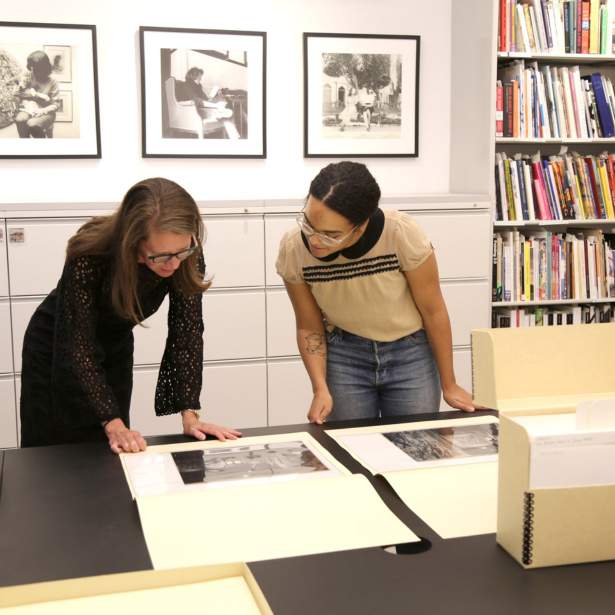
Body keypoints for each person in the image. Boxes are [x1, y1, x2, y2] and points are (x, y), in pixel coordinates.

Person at [20, 177, 241, 453]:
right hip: (56, 342)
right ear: (133, 243)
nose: (174, 263)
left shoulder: (184, 252)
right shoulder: (90, 254)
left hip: (115, 344)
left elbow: (187, 332)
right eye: (161, 256)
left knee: (113, 446)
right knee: (57, 448)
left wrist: (190, 414)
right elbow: (78, 346)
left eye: (182, 251)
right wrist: (112, 423)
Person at [276, 161, 478, 424]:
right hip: (344, 355)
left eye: (330, 234)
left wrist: (449, 384)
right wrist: (319, 388)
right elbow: (308, 325)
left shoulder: (400, 233)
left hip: (410, 354)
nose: (314, 240)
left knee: (415, 448)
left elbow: (433, 310)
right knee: (350, 450)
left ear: (360, 227)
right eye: (309, 224)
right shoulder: (294, 249)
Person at [15, 50, 60, 138]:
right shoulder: (28, 75)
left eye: (36, 68)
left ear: (45, 68)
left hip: (47, 111)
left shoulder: (53, 82)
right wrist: (33, 95)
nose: (33, 71)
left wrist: (42, 110)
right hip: (29, 109)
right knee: (19, 120)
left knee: (32, 124)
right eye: (31, 67)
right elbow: (16, 93)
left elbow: (56, 105)